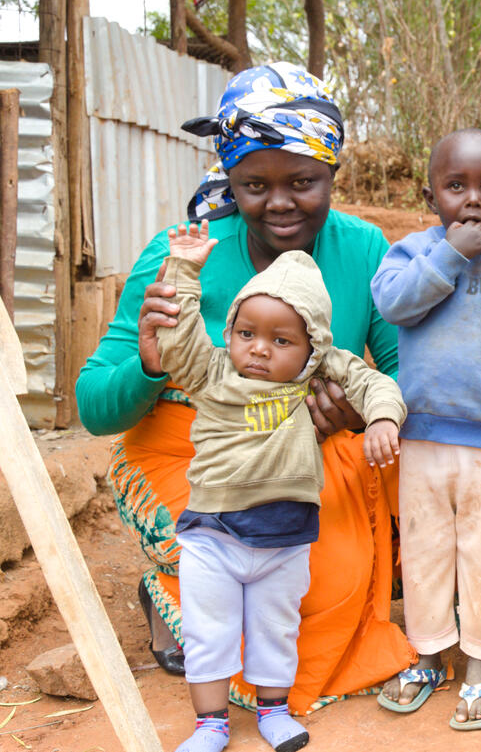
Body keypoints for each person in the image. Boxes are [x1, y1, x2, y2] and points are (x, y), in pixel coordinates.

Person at [76, 62, 417, 714]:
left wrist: (354, 410)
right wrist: (150, 366)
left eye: (303, 182)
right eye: (254, 184)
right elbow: (95, 405)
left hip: (302, 457)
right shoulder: (184, 252)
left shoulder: (364, 248)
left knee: (333, 564)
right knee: (255, 565)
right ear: (229, 179)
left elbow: (406, 369)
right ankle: (172, 591)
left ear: (333, 176)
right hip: (198, 459)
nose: (280, 202)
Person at [157, 222, 406, 752]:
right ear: (230, 331)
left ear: (312, 349)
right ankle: (210, 725)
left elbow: (372, 381)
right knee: (210, 632)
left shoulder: (312, 375)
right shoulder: (214, 372)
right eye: (247, 333)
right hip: (212, 537)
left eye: (281, 340)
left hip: (285, 541)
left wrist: (382, 417)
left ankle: (274, 712)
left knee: (275, 631)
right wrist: (182, 270)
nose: (260, 350)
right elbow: (178, 342)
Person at [370, 128, 481, 730]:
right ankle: (426, 656)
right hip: (421, 440)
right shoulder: (410, 254)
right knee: (424, 553)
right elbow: (395, 305)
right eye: (456, 187)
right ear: (431, 197)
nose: (473, 200)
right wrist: (451, 253)